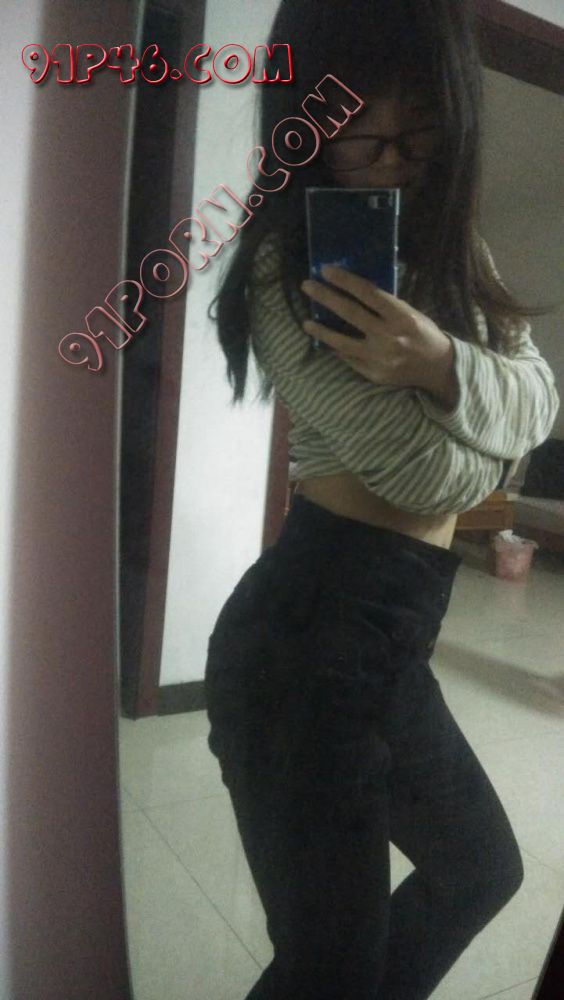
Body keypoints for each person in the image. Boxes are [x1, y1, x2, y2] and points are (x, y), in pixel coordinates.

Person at [204, 2, 560, 998]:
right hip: (302, 648)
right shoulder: (284, 267)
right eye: (366, 136)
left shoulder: (454, 250)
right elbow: (424, 476)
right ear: (310, 121)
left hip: (392, 637)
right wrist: (493, 430)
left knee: (480, 869)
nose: (395, 162)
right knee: (331, 970)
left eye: (421, 133)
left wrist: (438, 360)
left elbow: (543, 397)